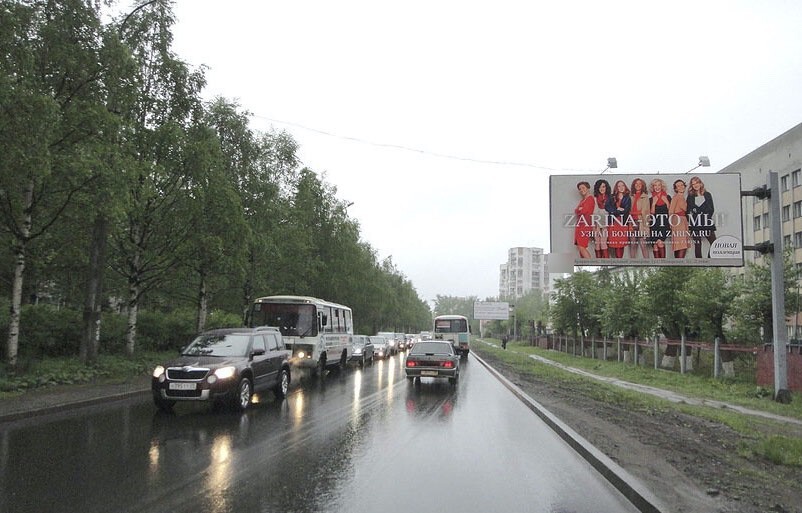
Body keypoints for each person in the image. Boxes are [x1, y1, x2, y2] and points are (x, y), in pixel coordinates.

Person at [687, 175, 716, 258]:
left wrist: (704, 216)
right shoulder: (690, 196)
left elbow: (711, 209)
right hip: (695, 223)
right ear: (691, 186)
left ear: (700, 184)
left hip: (707, 222)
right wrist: (692, 218)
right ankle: (699, 262)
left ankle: (709, 260)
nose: (695, 185)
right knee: (698, 244)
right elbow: (688, 210)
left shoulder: (707, 194)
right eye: (693, 184)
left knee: (714, 243)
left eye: (697, 183)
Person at [605, 180, 632, 258]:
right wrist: (616, 210)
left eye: (623, 185)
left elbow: (626, 210)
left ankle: (620, 260)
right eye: (619, 186)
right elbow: (607, 207)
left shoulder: (627, 198)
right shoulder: (611, 196)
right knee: (615, 244)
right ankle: (618, 261)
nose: (621, 187)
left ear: (625, 186)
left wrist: (615, 211)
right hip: (613, 222)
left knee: (621, 244)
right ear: (616, 188)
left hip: (622, 222)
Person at [629, 177, 651, 258]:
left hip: (641, 222)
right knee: (633, 245)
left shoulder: (645, 197)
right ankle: (632, 263)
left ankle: (647, 264)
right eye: (636, 184)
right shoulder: (631, 197)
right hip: (632, 221)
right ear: (634, 185)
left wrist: (634, 212)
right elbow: (628, 211)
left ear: (642, 186)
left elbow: (645, 211)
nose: (638, 185)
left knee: (643, 245)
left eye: (640, 184)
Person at [649, 178, 671, 258]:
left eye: (659, 185)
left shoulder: (667, 197)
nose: (657, 187)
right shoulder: (651, 199)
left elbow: (671, 212)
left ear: (662, 186)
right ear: (653, 187)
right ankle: (658, 266)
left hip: (664, 223)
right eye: (655, 185)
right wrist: (654, 203)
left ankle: (663, 264)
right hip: (654, 224)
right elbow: (651, 213)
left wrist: (667, 202)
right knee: (655, 245)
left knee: (660, 242)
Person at [669, 179, 690, 259]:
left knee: (680, 245)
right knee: (682, 244)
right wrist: (671, 223)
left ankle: (678, 262)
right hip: (678, 221)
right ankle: (679, 262)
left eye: (682, 185)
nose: (680, 187)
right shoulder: (677, 197)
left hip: (682, 221)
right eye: (678, 186)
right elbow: (671, 211)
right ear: (676, 189)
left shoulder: (682, 197)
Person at [574, 181, 595, 259]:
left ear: (588, 188)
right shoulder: (582, 200)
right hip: (580, 225)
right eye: (580, 189)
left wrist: (580, 210)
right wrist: (579, 210)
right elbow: (576, 211)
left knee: (581, 246)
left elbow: (583, 211)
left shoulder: (590, 199)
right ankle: (586, 265)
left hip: (585, 225)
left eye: (583, 188)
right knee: (580, 247)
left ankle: (591, 264)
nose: (581, 190)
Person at [592, 179, 611, 258]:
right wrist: (595, 225)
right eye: (600, 187)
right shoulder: (595, 198)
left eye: (603, 187)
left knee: (603, 242)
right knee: (597, 242)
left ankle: (606, 262)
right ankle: (598, 262)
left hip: (607, 222)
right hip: (597, 221)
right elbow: (594, 212)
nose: (602, 189)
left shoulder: (610, 198)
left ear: (606, 187)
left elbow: (610, 211)